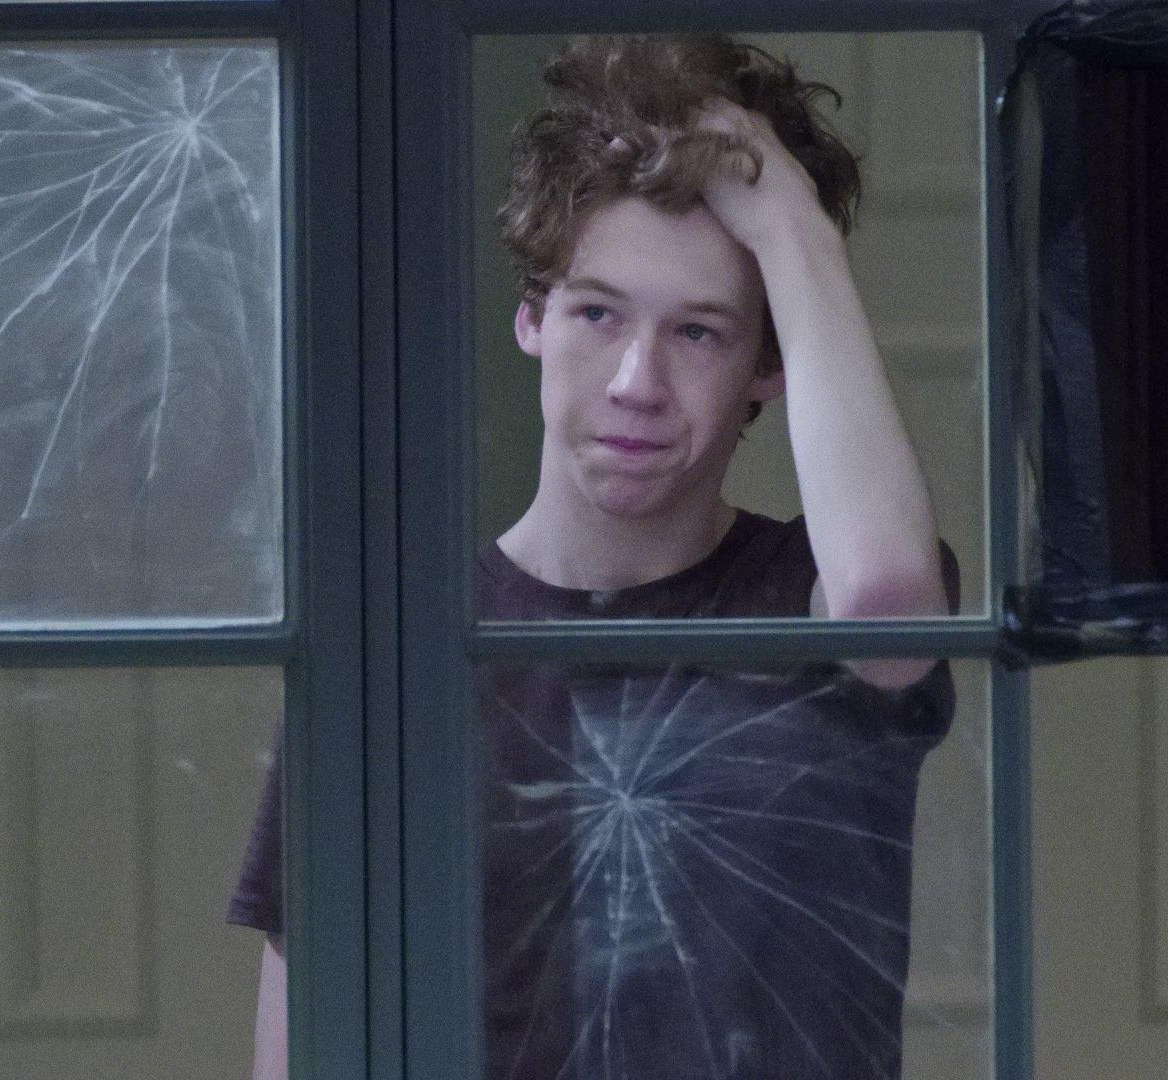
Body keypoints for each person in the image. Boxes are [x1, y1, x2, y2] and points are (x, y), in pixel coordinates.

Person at [228, 33, 961, 1080]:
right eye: (597, 312)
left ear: (768, 367)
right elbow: (301, 1042)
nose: (634, 384)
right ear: (532, 316)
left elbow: (887, 605)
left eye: (699, 333)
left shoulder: (808, 596)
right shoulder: (394, 651)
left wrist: (790, 223)